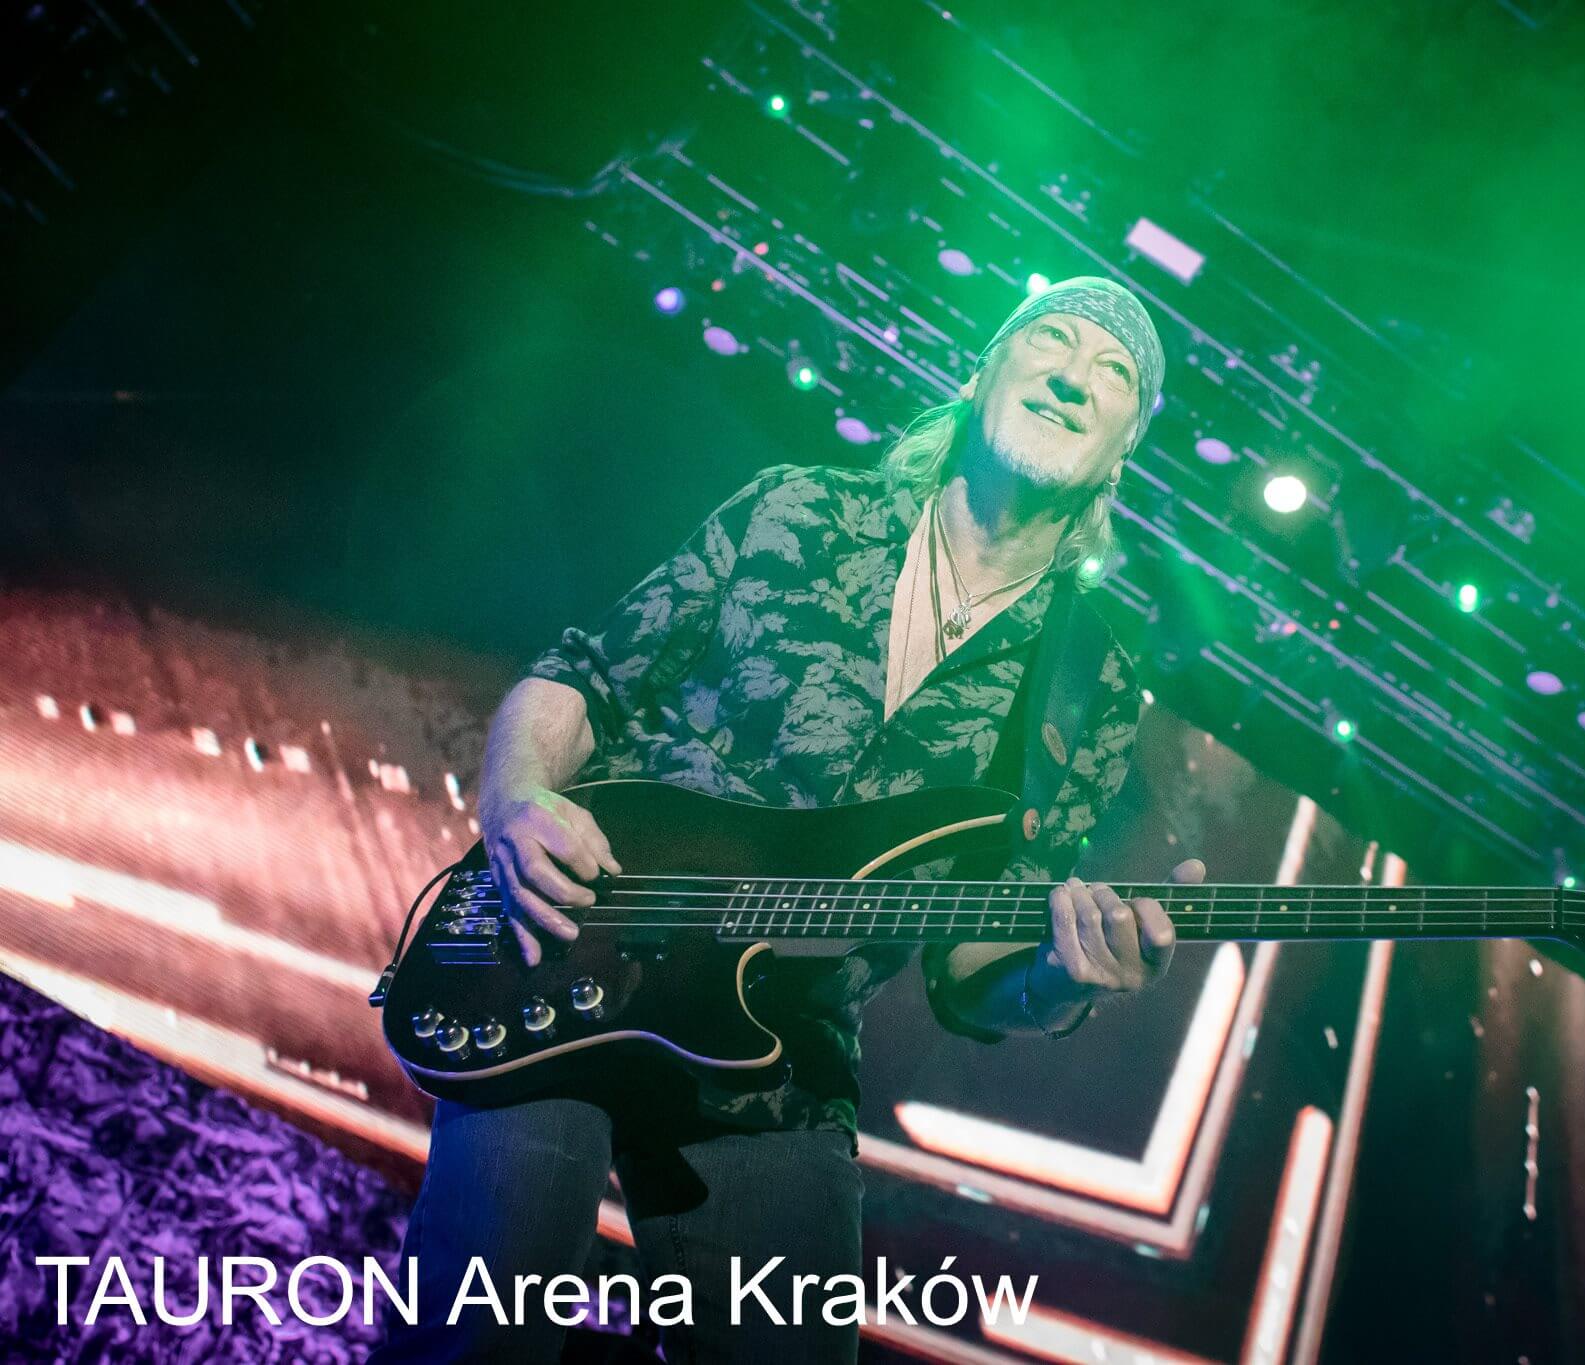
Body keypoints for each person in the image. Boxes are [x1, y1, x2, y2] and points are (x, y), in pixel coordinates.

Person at [371, 276, 1205, 1363]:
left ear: (1121, 453)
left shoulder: (1091, 685)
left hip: (783, 1064)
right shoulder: (797, 510)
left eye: (1112, 373)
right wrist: (519, 797)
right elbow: (584, 678)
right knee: (482, 1327)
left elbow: (967, 968)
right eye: (1050, 340)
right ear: (980, 376)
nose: (1072, 376)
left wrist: (1060, 977)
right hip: (576, 948)